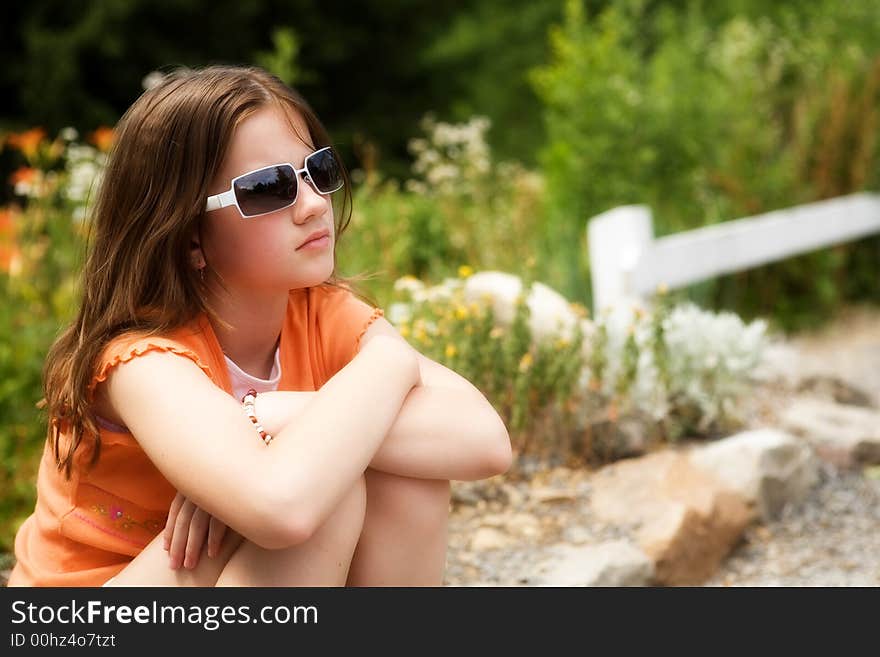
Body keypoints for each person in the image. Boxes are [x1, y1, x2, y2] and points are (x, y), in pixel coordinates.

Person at [8, 64, 512, 587]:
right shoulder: (142, 361)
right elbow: (282, 508)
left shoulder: (319, 312)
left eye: (317, 170)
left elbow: (483, 440)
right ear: (187, 235)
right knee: (322, 489)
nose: (315, 204)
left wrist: (270, 415)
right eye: (270, 188)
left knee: (394, 475)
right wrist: (388, 364)